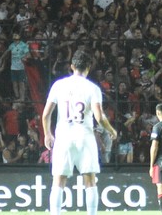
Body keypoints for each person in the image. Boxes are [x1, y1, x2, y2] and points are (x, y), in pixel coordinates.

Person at [43, 51, 118, 215]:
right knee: (90, 180)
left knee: (59, 180)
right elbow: (99, 116)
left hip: (64, 136)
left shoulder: (59, 85)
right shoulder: (93, 88)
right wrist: (111, 130)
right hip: (84, 136)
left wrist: (47, 134)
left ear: (72, 66)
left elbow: (46, 114)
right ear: (88, 68)